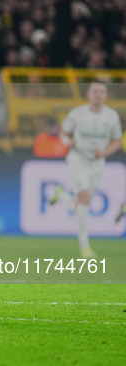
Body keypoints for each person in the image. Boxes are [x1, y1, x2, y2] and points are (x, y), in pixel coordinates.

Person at [49, 80, 122, 258]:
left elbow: (117, 141)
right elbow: (64, 133)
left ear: (106, 95)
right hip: (78, 158)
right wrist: (68, 142)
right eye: (95, 91)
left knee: (82, 203)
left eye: (101, 92)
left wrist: (104, 153)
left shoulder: (112, 117)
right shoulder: (77, 114)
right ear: (88, 94)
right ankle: (85, 247)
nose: (98, 94)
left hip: (97, 162)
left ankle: (63, 196)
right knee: (84, 196)